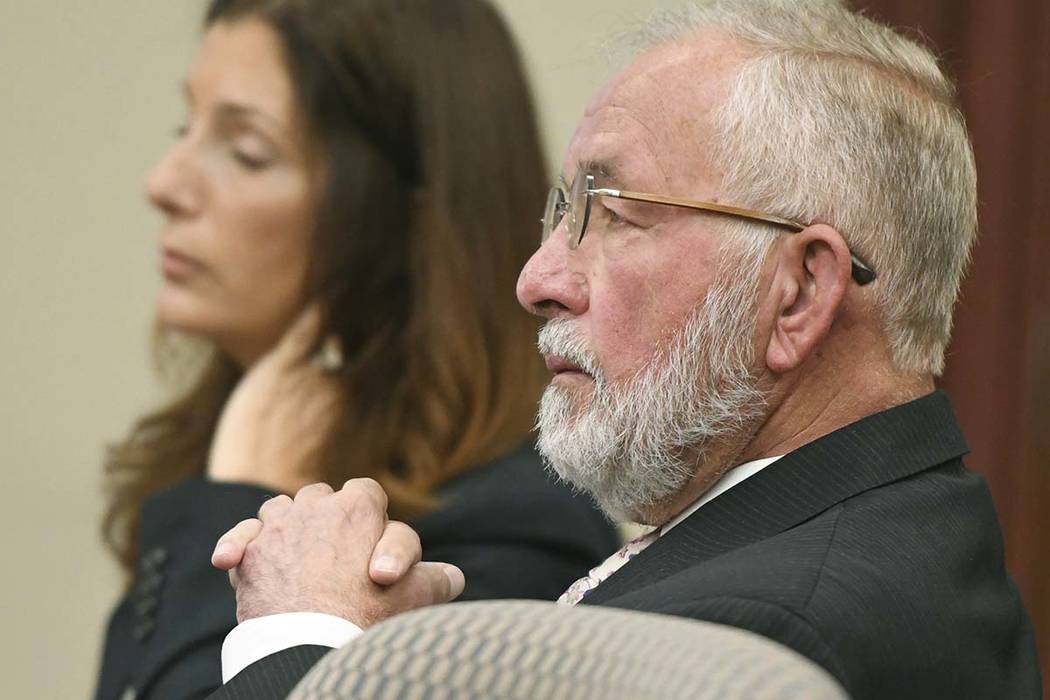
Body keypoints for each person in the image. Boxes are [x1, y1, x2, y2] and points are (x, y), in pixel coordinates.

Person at [202, 1, 1044, 699]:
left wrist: (303, 638)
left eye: (616, 214)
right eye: (561, 211)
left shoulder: (757, 643)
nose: (538, 279)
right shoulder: (883, 537)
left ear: (798, 294)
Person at [92, 0, 620, 698]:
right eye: (184, 128)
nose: (163, 184)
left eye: (246, 151)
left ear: (399, 217)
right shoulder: (211, 441)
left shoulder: (518, 532)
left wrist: (230, 503)